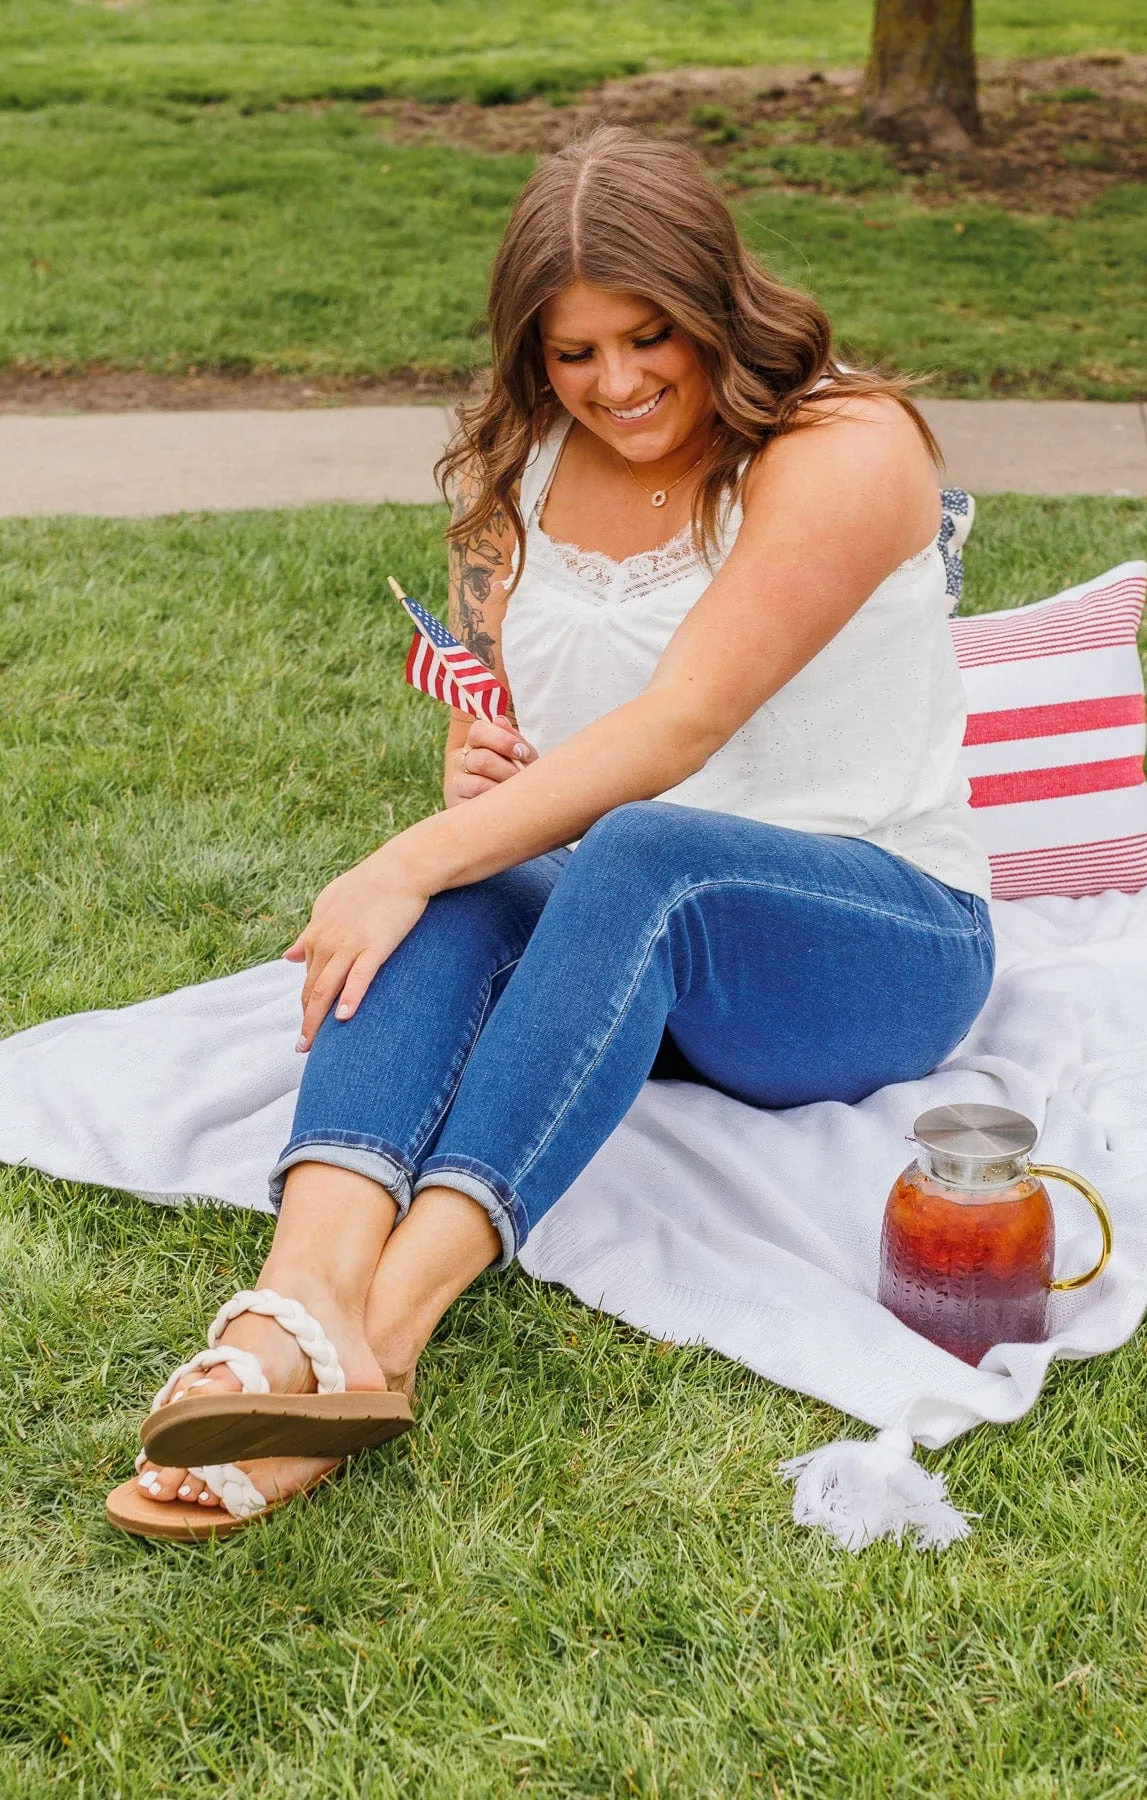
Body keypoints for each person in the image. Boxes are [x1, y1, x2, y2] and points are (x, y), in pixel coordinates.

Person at [108, 124, 994, 1539]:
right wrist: (473, 769)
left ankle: (382, 1344)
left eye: (652, 338)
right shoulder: (518, 474)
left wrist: (403, 852)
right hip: (635, 946)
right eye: (575, 354)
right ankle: (298, 1308)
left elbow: (679, 728)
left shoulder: (845, 443)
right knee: (465, 882)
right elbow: (518, 723)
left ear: (718, 303)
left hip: (873, 944)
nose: (620, 383)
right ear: (533, 355)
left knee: (613, 847)